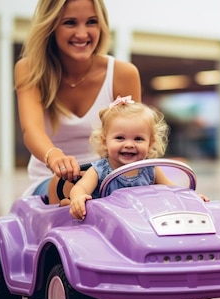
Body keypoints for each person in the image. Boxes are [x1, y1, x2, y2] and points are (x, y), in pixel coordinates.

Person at [15, 0, 141, 199]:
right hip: (52, 180)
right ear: (51, 26)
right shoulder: (29, 70)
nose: (82, 34)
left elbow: (136, 133)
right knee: (69, 185)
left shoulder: (123, 73)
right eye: (70, 23)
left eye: (91, 22)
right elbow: (32, 130)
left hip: (109, 177)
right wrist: (55, 157)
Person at [68, 96, 209, 220]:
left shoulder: (149, 169)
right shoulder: (100, 170)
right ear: (105, 142)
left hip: (143, 224)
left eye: (138, 139)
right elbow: (80, 187)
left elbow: (173, 190)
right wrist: (78, 197)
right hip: (107, 225)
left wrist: (191, 198)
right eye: (120, 138)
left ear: (150, 143)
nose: (129, 144)